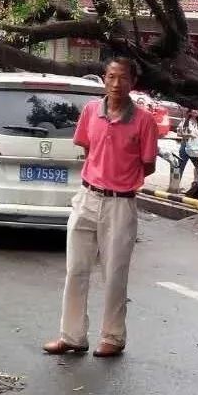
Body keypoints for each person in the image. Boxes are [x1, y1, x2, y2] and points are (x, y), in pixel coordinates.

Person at [43, 57, 159, 359]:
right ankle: (72, 336)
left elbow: (147, 165)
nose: (116, 84)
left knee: (115, 274)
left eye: (122, 78)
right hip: (86, 197)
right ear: (104, 79)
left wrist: (119, 180)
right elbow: (86, 147)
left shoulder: (144, 121)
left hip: (120, 204)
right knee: (76, 270)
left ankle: (113, 337)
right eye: (110, 77)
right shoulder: (91, 111)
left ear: (132, 82)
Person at [177, 107, 198, 180]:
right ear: (190, 111)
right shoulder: (185, 121)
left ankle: (197, 186)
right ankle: (175, 186)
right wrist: (189, 135)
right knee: (180, 167)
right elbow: (178, 133)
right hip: (185, 146)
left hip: (196, 148)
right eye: (194, 109)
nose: (196, 111)